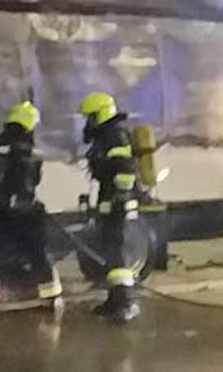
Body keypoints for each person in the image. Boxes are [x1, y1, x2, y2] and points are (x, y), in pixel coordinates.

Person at [0, 101, 62, 310]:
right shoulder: (33, 149)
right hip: (26, 208)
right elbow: (36, 179)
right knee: (36, 251)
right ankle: (50, 295)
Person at [78, 92, 141, 322]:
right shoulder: (105, 137)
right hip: (111, 202)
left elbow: (125, 168)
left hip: (119, 203)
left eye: (90, 117)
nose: (87, 123)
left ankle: (126, 302)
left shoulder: (115, 136)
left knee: (117, 251)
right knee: (110, 250)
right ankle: (114, 299)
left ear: (100, 114)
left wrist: (118, 198)